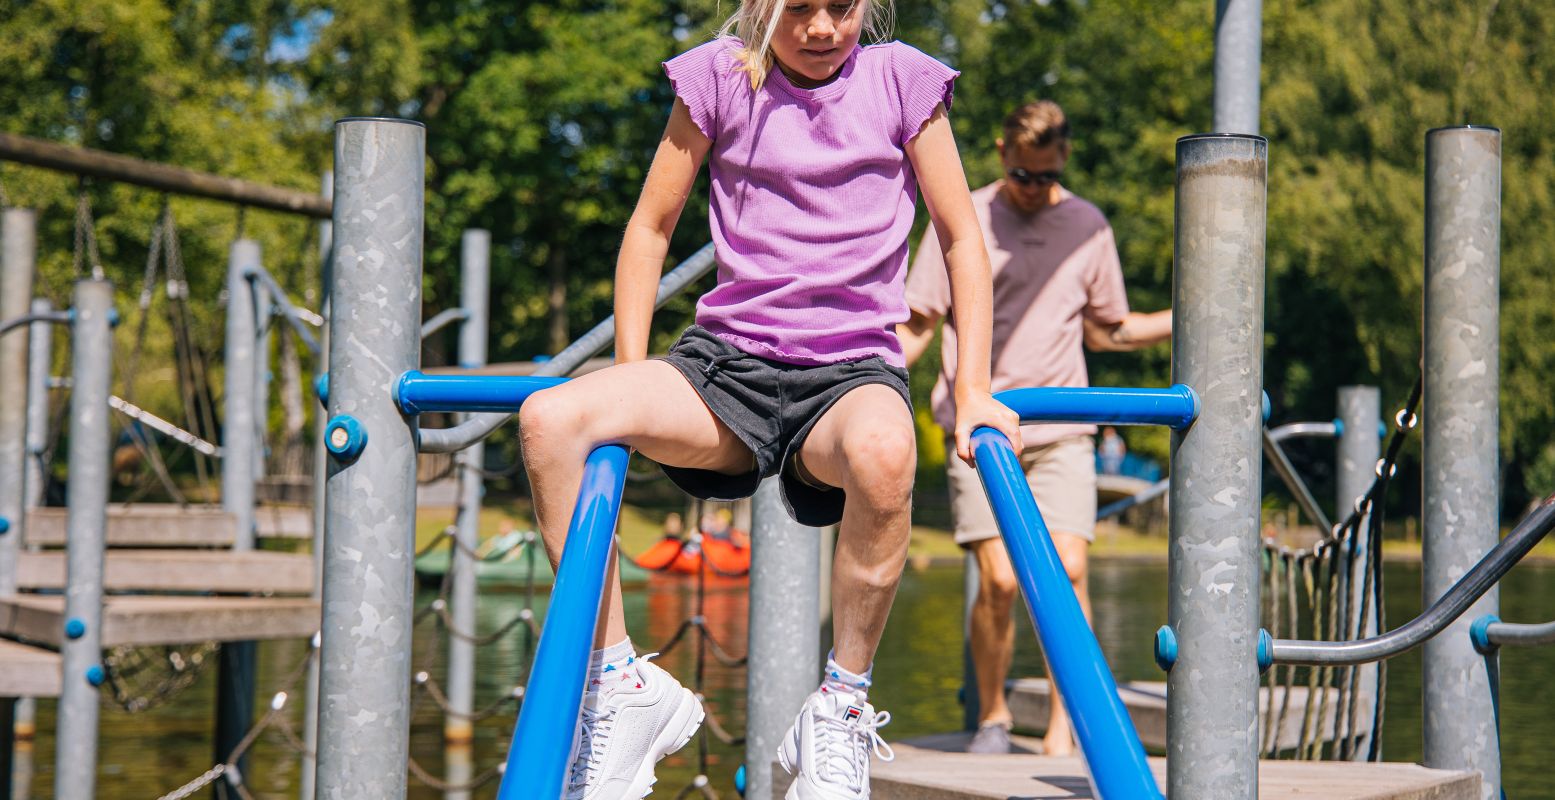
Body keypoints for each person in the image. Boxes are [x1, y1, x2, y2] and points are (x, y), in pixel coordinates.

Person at [517, 2, 1020, 797]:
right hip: (726, 369)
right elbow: (650, 227)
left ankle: (840, 706)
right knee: (549, 417)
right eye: (799, 8)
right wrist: (628, 371)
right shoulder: (719, 74)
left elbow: (960, 236)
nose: (821, 27)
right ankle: (621, 681)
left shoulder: (901, 80)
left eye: (842, 7)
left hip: (850, 375)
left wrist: (975, 388)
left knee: (886, 454)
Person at [899, 100, 1170, 757]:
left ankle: (1061, 725)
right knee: (998, 580)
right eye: (1019, 174)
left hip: (1061, 428)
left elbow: (1108, 329)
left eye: (1042, 177)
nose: (1029, 188)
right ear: (1000, 153)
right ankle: (992, 718)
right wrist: (857, 370)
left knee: (1068, 570)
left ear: (1063, 161)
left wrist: (1192, 313)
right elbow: (917, 323)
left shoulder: (1086, 226)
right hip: (979, 429)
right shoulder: (961, 216)